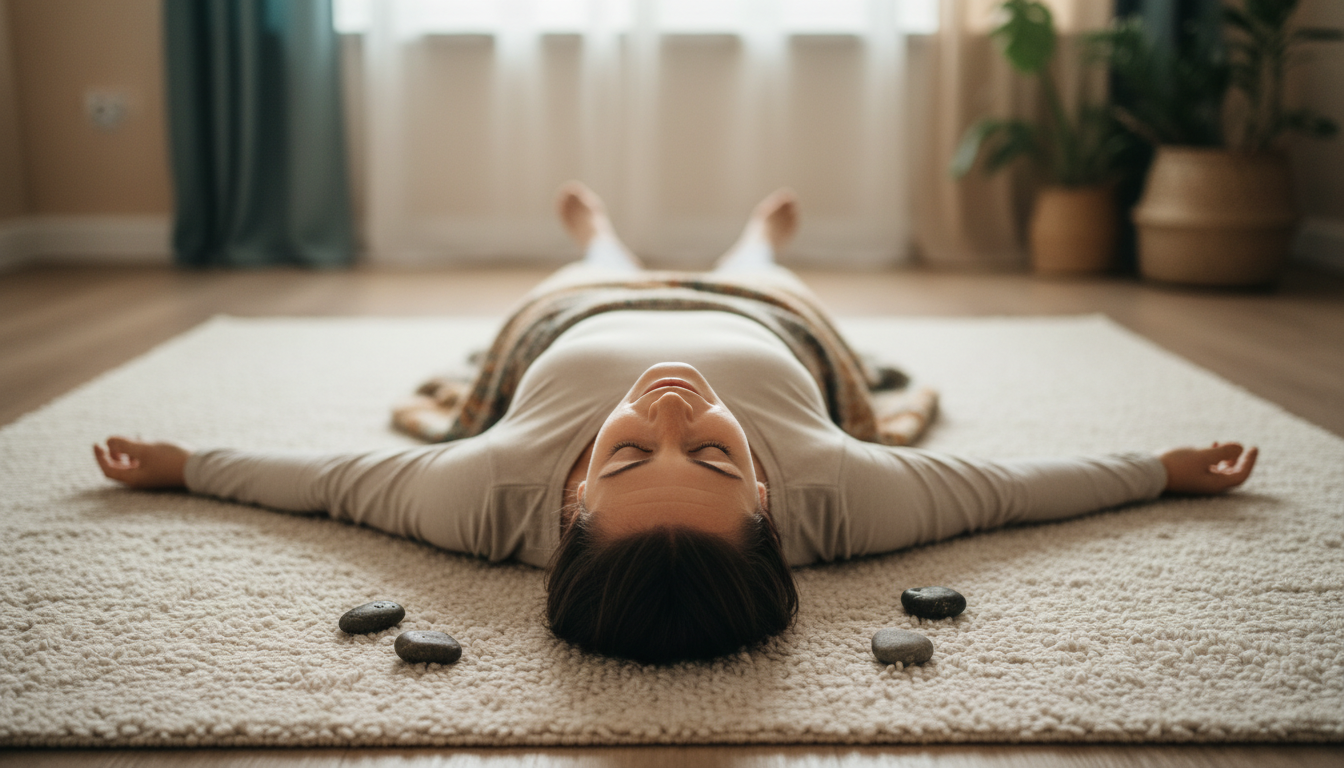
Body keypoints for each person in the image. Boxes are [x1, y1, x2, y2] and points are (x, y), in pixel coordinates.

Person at [93, 183, 1259, 664]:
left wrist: (189, 462)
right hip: (775, 326)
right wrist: (1157, 470)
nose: (670, 408)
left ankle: (602, 236)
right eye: (709, 454)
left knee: (586, 269)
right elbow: (1011, 489)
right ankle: (754, 246)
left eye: (627, 455)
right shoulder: (851, 496)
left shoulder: (480, 495)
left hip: (567, 321)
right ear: (770, 502)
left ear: (561, 502)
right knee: (766, 279)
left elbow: (331, 482)